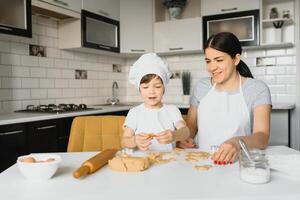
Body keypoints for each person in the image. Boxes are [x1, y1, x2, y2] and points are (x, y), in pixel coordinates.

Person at [180, 32, 272, 165]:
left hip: (238, 163)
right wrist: (185, 137)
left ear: (236, 59)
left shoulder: (257, 89)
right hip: (201, 161)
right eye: (208, 61)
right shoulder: (201, 87)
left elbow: (262, 137)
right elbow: (192, 126)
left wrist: (237, 143)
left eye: (219, 60)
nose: (212, 67)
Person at [122, 53, 190, 151]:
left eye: (157, 86)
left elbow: (186, 132)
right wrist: (134, 141)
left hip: (168, 161)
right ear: (139, 89)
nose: (152, 91)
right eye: (145, 87)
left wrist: (174, 135)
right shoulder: (134, 112)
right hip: (142, 160)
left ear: (164, 88)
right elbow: (124, 140)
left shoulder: (172, 110)